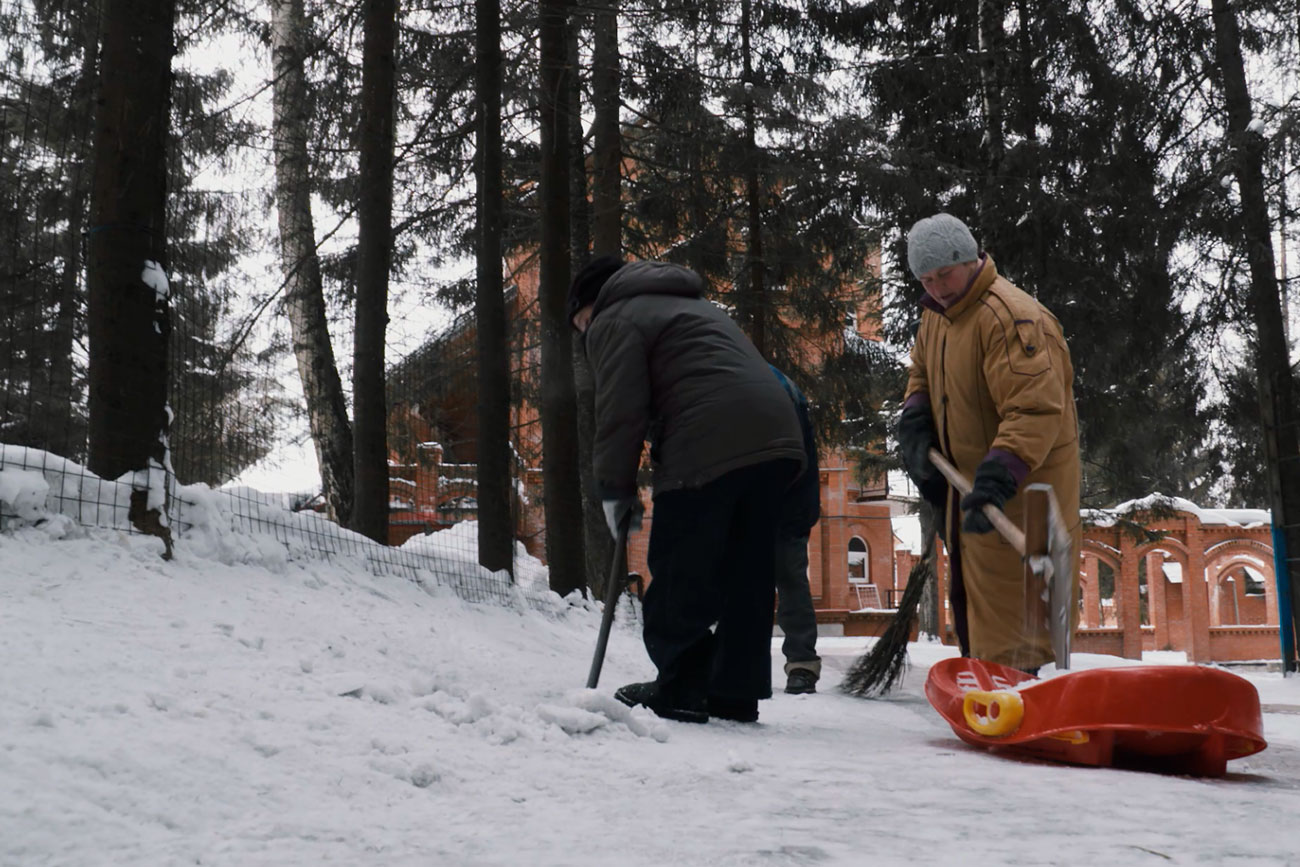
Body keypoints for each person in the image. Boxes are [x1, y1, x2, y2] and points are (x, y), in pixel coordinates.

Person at [568, 255, 806, 723]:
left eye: (580, 324)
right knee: (748, 574)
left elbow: (621, 411)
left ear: (590, 306)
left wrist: (615, 489)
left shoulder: (614, 317)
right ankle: (735, 694)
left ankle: (681, 686)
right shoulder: (699, 308)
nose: (584, 335)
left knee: (680, 567)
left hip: (708, 439)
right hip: (779, 440)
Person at [895, 213, 1081, 673]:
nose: (936, 287)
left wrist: (998, 477)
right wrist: (916, 415)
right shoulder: (939, 315)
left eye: (945, 274)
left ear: (971, 260)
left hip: (1024, 490)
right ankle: (992, 689)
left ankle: (1027, 692)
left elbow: (1034, 408)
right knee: (975, 599)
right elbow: (921, 369)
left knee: (1020, 613)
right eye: (926, 278)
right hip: (972, 487)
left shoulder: (1009, 318)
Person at [769, 365, 822, 695]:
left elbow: (796, 457)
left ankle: (802, 664)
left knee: (790, 577)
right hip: (753, 497)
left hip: (789, 499)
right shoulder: (733, 378)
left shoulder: (779, 388)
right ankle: (739, 662)